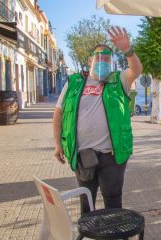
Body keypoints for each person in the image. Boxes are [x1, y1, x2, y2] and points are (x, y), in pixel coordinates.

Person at [52, 26, 142, 214]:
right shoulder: (74, 82)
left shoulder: (119, 80)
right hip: (83, 155)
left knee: (113, 202)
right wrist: (57, 144)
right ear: (89, 60)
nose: (102, 60)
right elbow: (59, 113)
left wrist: (127, 50)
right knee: (87, 202)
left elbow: (136, 69)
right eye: (98, 56)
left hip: (112, 156)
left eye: (107, 57)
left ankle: (115, 235)